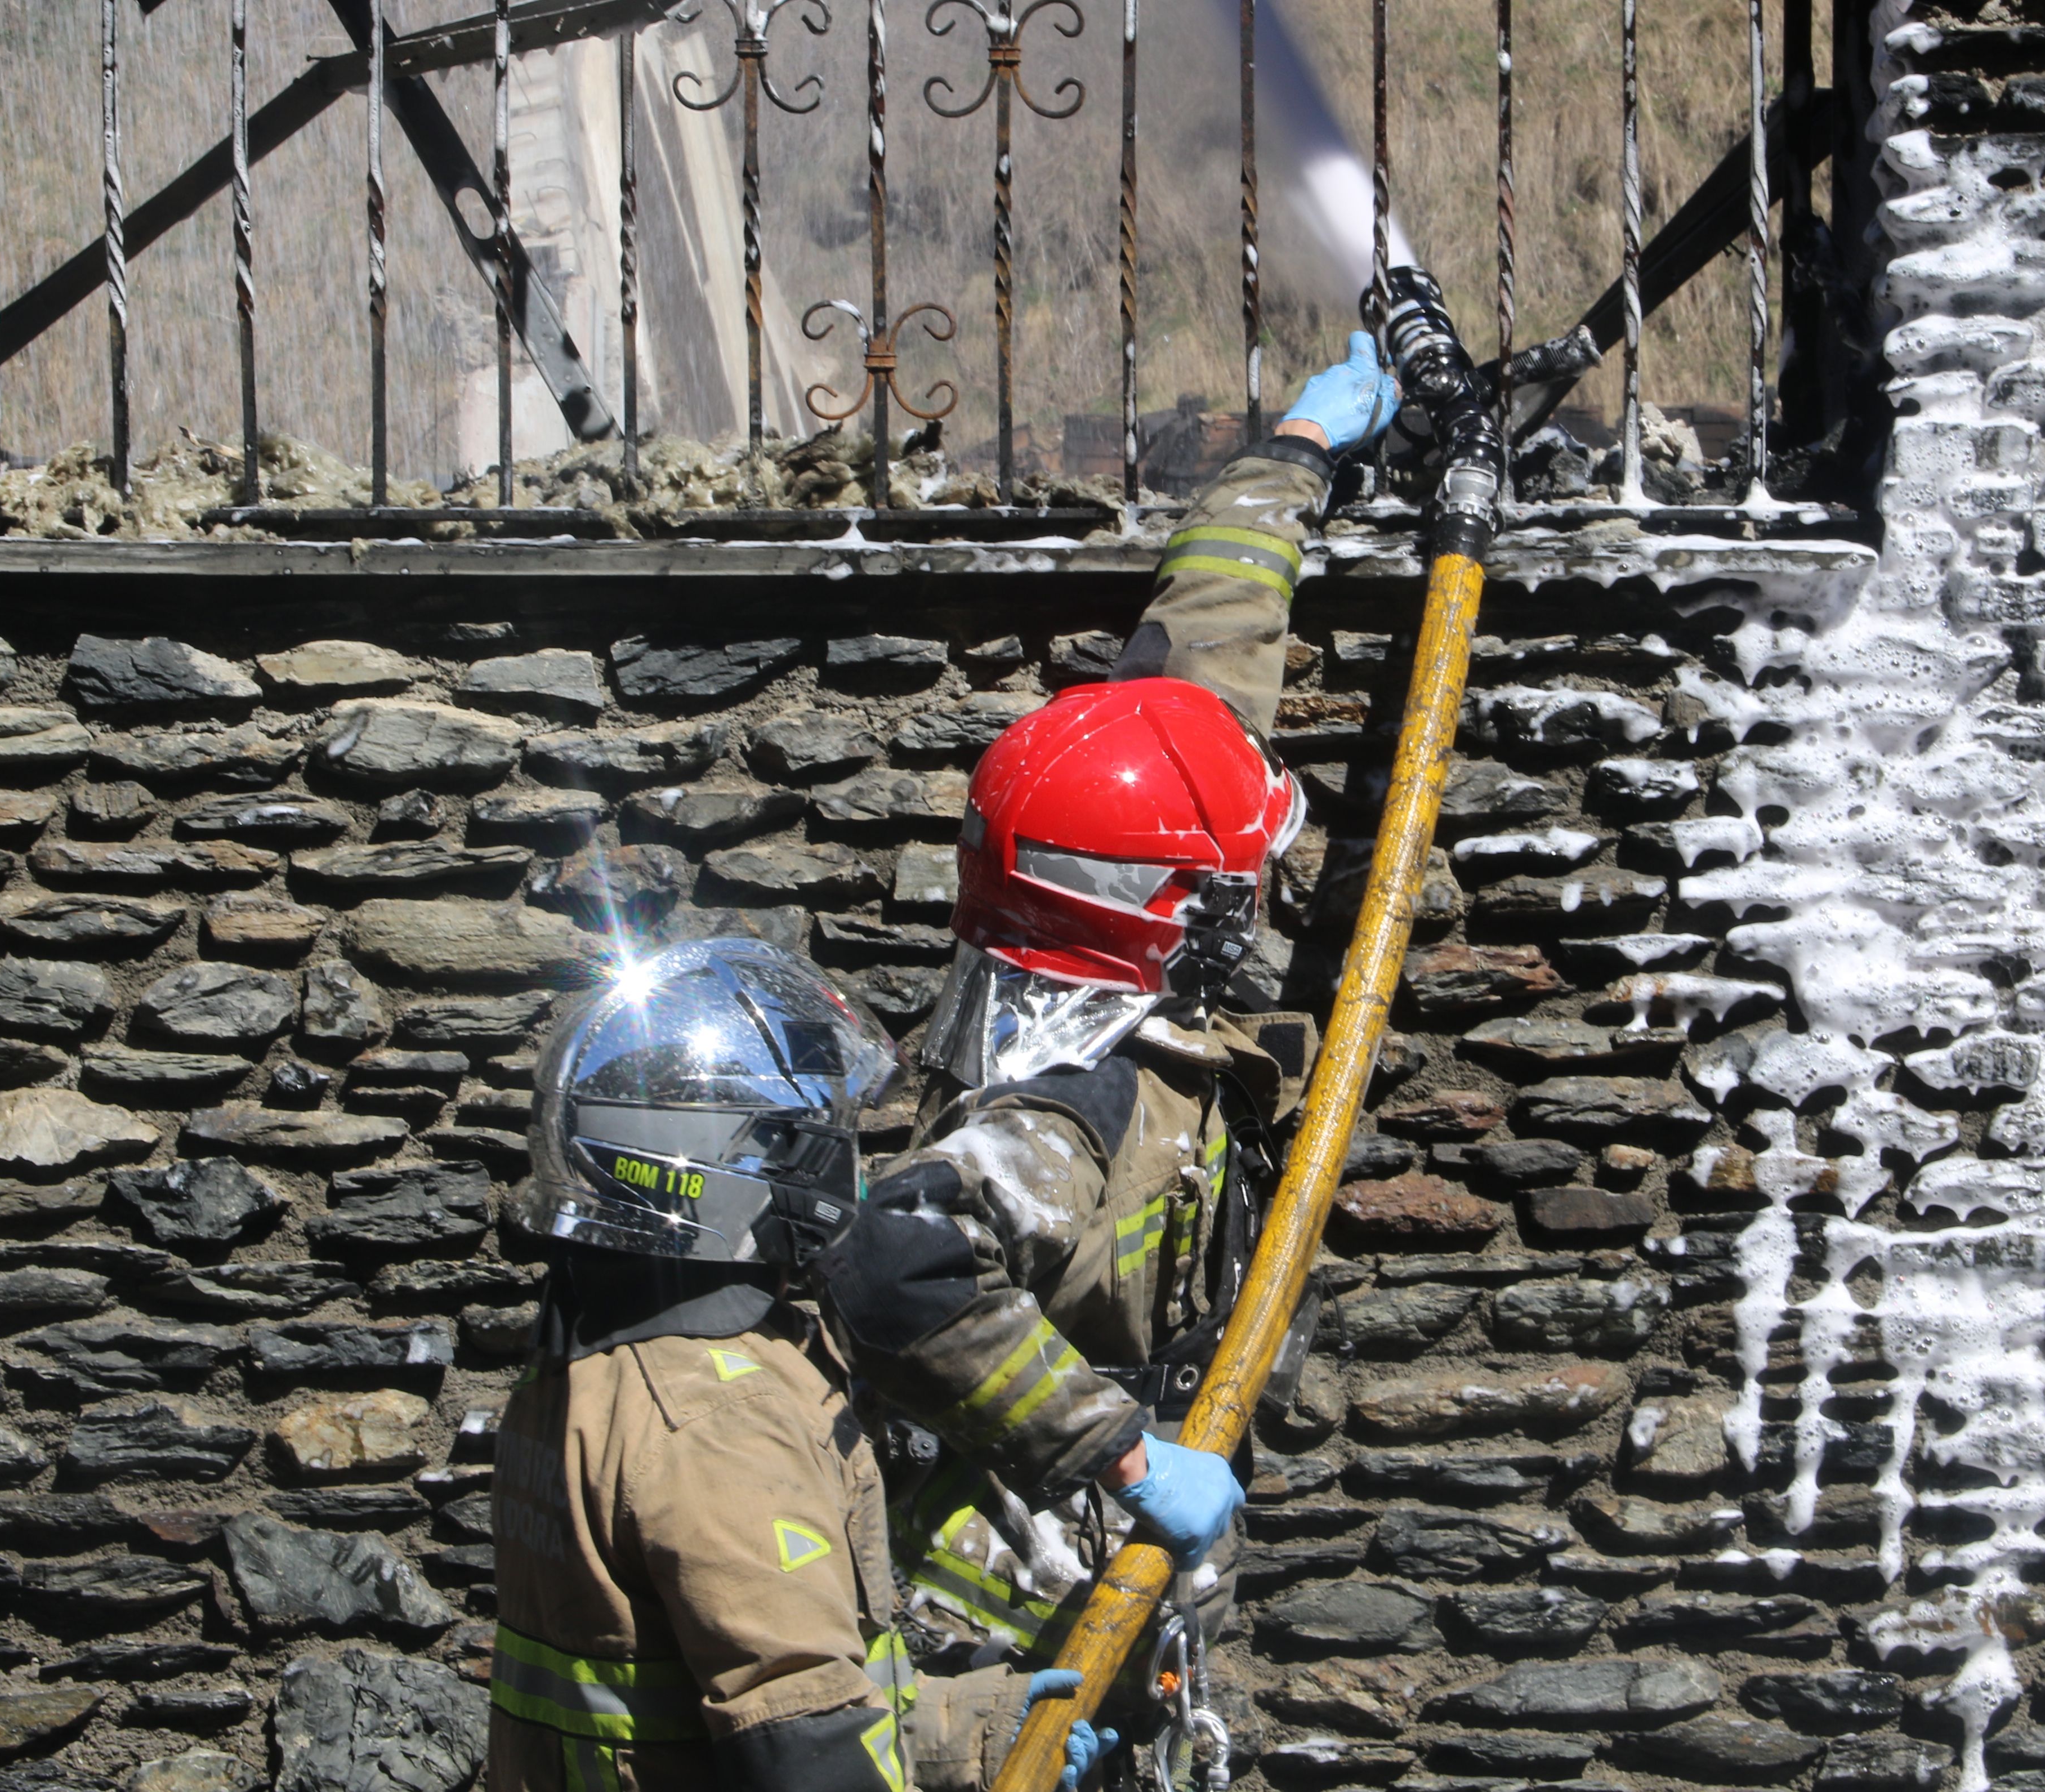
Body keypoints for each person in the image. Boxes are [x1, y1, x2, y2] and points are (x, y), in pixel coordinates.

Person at [811, 339, 1404, 1670]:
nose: (1254, 891)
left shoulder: (1111, 819)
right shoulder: (1077, 1100)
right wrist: (1129, 1455)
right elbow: (896, 1265)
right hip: (1021, 1610)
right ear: (1176, 913)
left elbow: (1212, 633)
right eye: (1232, 884)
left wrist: (1300, 453)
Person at [487, 937, 1120, 1792]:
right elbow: (804, 1752)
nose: (835, 1159)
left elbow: (703, 1692)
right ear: (710, 1164)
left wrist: (973, 1735)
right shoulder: (720, 1423)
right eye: (802, 1134)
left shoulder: (590, 1355)